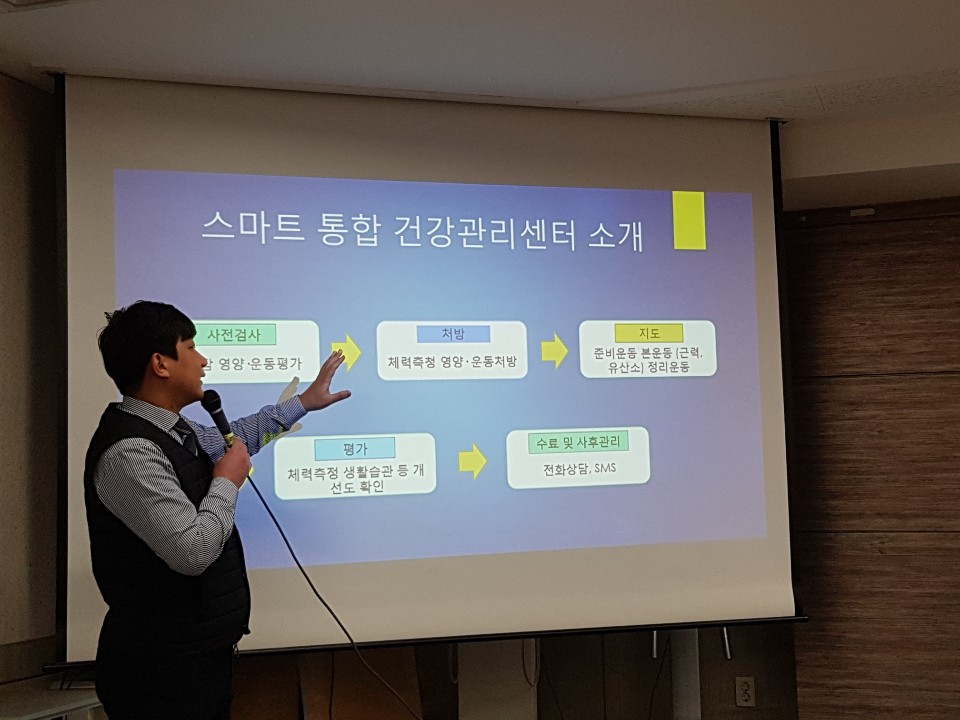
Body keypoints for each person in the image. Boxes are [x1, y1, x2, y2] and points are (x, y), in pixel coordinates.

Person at [84, 300, 351, 719]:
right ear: (160, 364)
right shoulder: (130, 452)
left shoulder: (172, 428)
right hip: (160, 673)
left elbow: (231, 441)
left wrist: (302, 403)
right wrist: (227, 482)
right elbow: (192, 552)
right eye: (190, 348)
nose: (203, 360)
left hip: (196, 656)